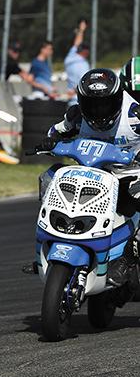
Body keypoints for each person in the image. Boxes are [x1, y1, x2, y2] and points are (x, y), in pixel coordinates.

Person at [42, 69, 140, 293]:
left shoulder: (135, 115)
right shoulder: (76, 115)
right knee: (51, 176)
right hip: (91, 172)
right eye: (92, 105)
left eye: (105, 104)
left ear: (117, 99)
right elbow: (57, 131)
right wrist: (49, 142)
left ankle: (127, 258)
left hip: (130, 174)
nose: (98, 111)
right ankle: (53, 239)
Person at [64, 19, 90, 96]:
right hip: (79, 99)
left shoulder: (69, 58)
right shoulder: (84, 65)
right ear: (86, 52)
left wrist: (81, 30)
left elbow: (76, 43)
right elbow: (85, 84)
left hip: (71, 97)